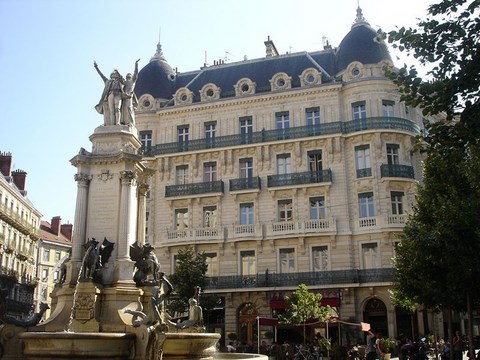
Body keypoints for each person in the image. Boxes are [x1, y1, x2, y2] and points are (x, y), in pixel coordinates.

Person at [94, 61, 124, 126]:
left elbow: (122, 79)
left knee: (117, 108)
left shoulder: (120, 81)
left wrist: (117, 71)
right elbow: (101, 75)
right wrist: (97, 68)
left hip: (118, 94)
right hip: (110, 94)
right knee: (111, 110)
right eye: (113, 74)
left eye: (115, 74)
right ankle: (112, 124)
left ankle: (118, 122)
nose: (114, 74)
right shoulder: (108, 81)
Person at [121, 59, 140, 125]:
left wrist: (136, 65)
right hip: (124, 96)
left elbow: (136, 73)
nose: (128, 76)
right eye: (127, 75)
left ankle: (130, 122)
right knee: (123, 109)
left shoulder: (132, 81)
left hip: (129, 97)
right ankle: (123, 122)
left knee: (129, 108)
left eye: (129, 75)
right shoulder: (124, 82)